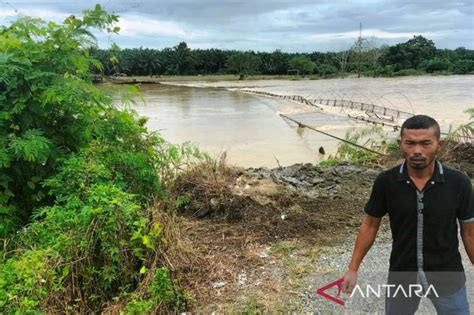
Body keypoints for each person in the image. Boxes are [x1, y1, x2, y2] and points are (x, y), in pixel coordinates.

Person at [342, 115, 474, 315]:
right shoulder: (386, 182)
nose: (417, 151)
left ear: (440, 144)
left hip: (447, 276)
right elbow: (370, 225)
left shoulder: (458, 182)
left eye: (425, 143)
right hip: (402, 275)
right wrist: (353, 268)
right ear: (400, 144)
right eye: (410, 143)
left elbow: (469, 232)